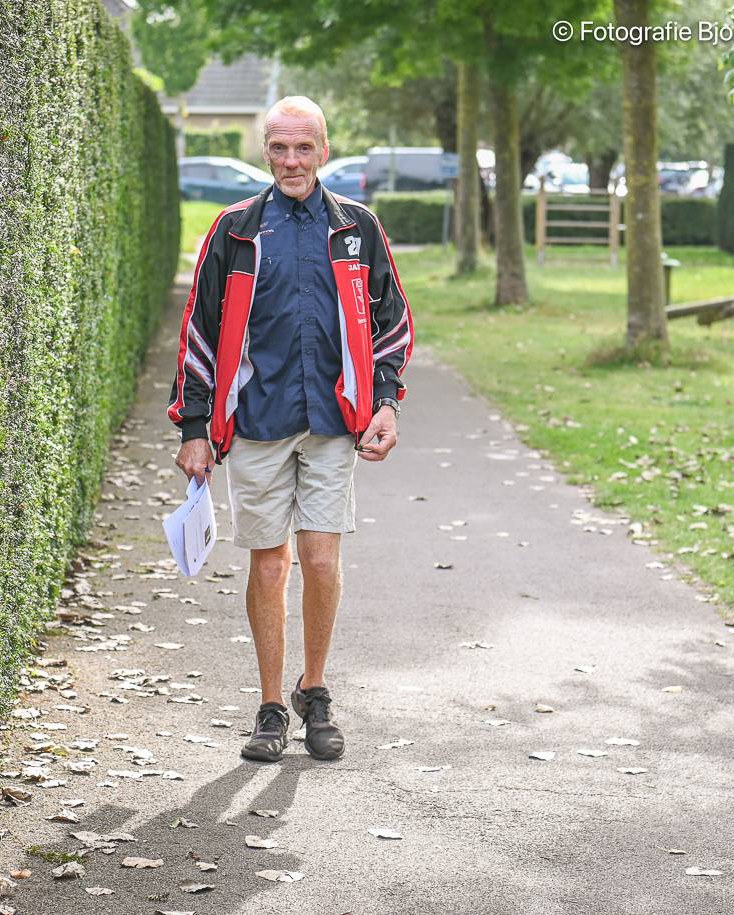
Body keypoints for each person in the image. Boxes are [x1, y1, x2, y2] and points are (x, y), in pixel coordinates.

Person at [167, 96, 413, 762]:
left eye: (304, 147)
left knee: (322, 559)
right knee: (270, 565)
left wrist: (385, 400)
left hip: (334, 421)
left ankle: (317, 688)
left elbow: (392, 324)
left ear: (324, 151)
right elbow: (200, 331)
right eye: (279, 147)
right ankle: (272, 705)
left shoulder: (356, 228)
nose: (291, 160)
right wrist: (195, 426)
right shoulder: (237, 230)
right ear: (265, 151)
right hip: (257, 423)